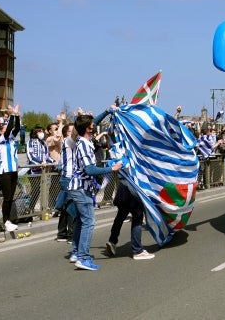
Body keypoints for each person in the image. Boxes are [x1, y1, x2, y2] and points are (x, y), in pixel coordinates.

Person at [68, 111, 123, 271]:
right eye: (91, 125)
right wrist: (110, 168)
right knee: (89, 222)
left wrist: (107, 111)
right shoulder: (84, 144)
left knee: (81, 221)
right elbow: (90, 169)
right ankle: (83, 257)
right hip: (81, 188)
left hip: (80, 187)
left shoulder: (83, 139)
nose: (94, 126)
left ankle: (77, 253)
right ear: (87, 128)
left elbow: (93, 122)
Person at [106, 183, 154, 260]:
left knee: (120, 216)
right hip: (133, 190)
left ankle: (112, 241)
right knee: (137, 218)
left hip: (122, 190)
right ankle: (137, 251)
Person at [0, 104, 22, 232]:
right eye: (5, 128)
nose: (8, 129)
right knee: (7, 198)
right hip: (5, 171)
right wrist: (11, 114)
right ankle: (5, 221)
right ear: (1, 130)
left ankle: (8, 220)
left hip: (13, 171)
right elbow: (9, 128)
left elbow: (16, 128)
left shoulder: (11, 139)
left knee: (11, 197)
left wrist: (17, 115)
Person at [55, 123, 76, 243]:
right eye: (71, 131)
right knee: (71, 206)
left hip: (67, 177)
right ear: (66, 134)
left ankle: (62, 233)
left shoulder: (73, 142)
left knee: (65, 206)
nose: (74, 133)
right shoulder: (68, 141)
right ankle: (71, 235)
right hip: (68, 178)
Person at [26, 125, 54, 214]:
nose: (41, 133)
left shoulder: (43, 143)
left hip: (43, 171)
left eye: (42, 131)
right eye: (39, 131)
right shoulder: (30, 142)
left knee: (41, 190)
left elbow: (47, 156)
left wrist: (54, 161)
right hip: (33, 170)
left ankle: (41, 209)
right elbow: (31, 156)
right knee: (35, 190)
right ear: (35, 133)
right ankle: (29, 208)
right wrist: (41, 161)